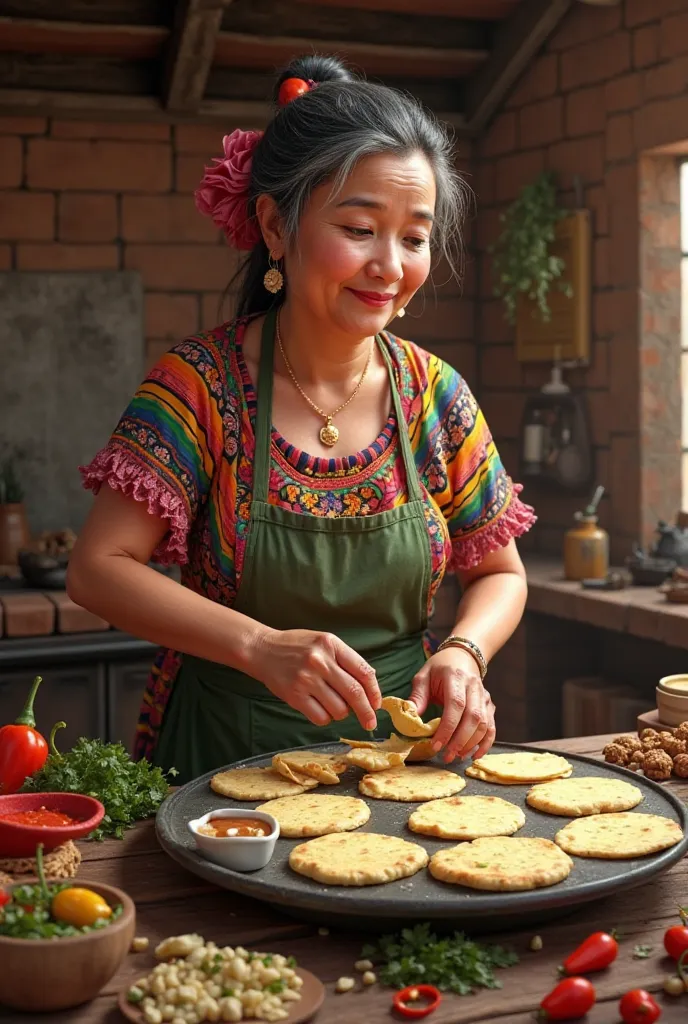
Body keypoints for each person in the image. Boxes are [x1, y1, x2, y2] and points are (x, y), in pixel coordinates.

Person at [67, 55, 536, 785]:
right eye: (359, 227)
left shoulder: (435, 395)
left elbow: (501, 573)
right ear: (274, 227)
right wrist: (258, 646)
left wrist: (463, 652)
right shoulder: (199, 388)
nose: (389, 264)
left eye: (414, 237)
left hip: (403, 769)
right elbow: (98, 569)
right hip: (222, 767)